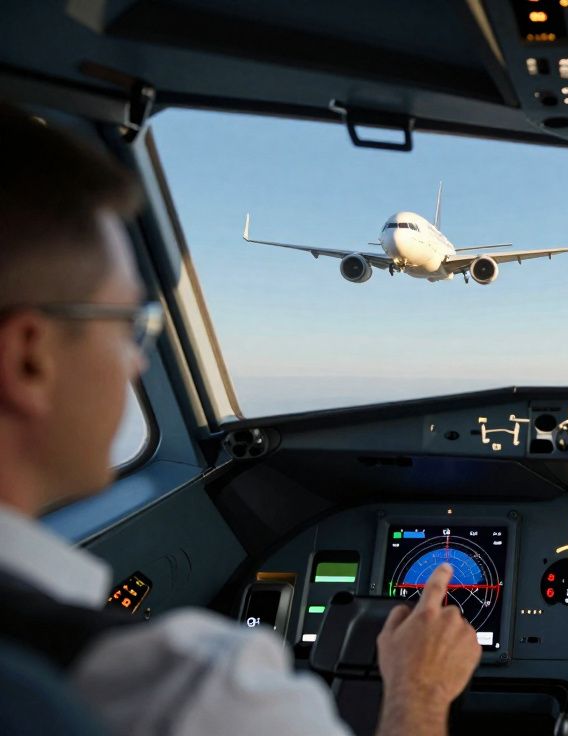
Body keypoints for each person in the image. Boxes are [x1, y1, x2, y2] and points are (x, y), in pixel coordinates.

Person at [0, 102, 482, 735]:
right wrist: (419, 687)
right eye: (129, 328)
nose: (141, 366)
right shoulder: (200, 692)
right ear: (29, 358)